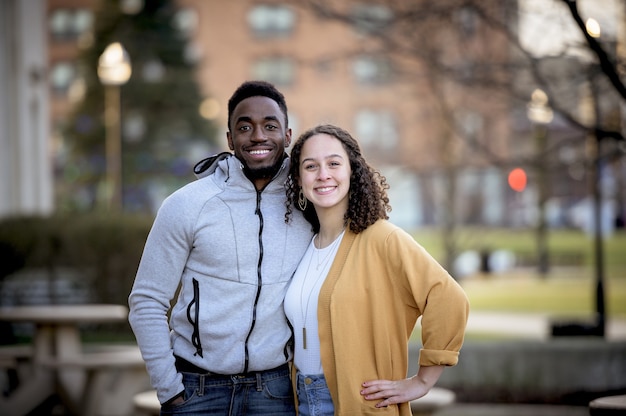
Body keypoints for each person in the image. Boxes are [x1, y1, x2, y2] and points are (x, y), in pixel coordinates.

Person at [128, 80, 313, 415]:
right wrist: (169, 389)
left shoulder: (308, 205)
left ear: (287, 136)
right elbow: (147, 301)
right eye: (245, 127)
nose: (258, 136)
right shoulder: (187, 204)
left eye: (270, 125)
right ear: (230, 139)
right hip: (196, 391)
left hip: (274, 391)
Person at [284, 124, 470, 416]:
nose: (323, 174)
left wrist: (422, 381)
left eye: (334, 163)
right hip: (301, 400)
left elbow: (448, 297)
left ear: (352, 172)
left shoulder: (382, 238)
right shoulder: (305, 246)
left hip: (361, 403)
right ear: (298, 178)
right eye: (311, 166)